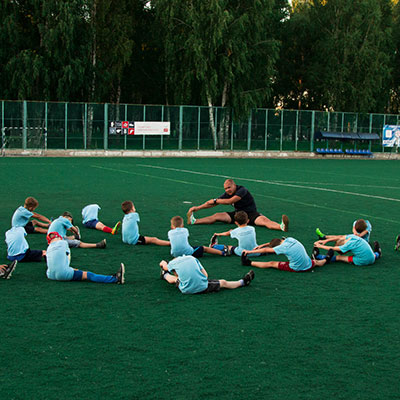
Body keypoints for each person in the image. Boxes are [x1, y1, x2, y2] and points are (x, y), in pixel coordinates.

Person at [186, 178, 289, 231]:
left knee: (264, 221)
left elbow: (229, 201)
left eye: (229, 188)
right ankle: (194, 221)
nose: (227, 190)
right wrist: (197, 208)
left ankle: (281, 227)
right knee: (217, 216)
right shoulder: (227, 193)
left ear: (234, 185)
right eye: (225, 189)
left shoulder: (242, 190)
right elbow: (212, 203)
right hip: (238, 215)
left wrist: (216, 200)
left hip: (251, 214)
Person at [46, 232, 125, 284]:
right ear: (59, 237)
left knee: (70, 269)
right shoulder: (63, 243)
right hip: (63, 274)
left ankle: (112, 278)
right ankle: (115, 279)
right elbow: (67, 260)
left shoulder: (48, 248)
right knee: (89, 275)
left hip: (50, 275)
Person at [159, 255, 254, 294]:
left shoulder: (172, 263)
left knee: (176, 279)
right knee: (223, 282)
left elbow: (164, 265)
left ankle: (164, 275)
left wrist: (163, 263)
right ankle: (243, 282)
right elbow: (205, 275)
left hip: (185, 289)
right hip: (202, 286)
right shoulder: (192, 258)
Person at [241, 237, 332, 272]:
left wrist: (249, 252)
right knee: (315, 262)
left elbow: (266, 250)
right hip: (308, 263)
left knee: (272, 263)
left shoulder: (281, 248)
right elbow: (272, 243)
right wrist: (262, 244)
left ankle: (249, 263)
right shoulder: (290, 239)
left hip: (297, 268)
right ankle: (326, 259)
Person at [313, 235, 381, 267]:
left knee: (339, 257)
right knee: (368, 254)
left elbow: (332, 248)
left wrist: (320, 246)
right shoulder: (352, 236)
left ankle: (319, 256)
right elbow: (340, 237)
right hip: (372, 257)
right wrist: (326, 240)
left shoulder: (347, 245)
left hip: (363, 261)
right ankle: (377, 253)